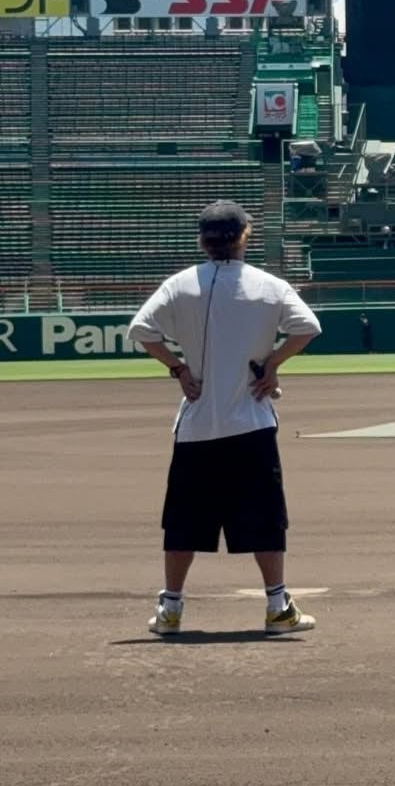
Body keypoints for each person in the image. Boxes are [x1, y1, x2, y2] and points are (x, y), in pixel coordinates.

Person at [127, 200, 322, 638]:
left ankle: (171, 609)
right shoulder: (268, 286)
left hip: (196, 425)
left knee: (182, 521)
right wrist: (271, 364)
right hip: (250, 423)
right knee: (266, 517)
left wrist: (178, 368)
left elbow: (141, 330)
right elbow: (307, 327)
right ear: (244, 237)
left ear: (202, 239)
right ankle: (277, 606)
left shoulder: (179, 285)